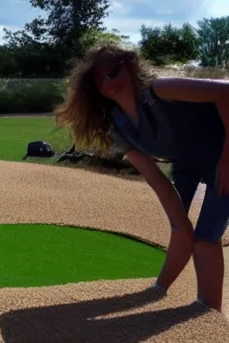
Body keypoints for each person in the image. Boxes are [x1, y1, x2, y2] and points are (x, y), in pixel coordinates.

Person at [54, 44, 229, 313]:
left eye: (113, 72)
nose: (108, 82)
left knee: (206, 237)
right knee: (181, 228)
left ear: (130, 65)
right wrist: (179, 221)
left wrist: (227, 158)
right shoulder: (118, 126)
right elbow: (155, 178)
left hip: (223, 156)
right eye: (100, 80)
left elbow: (225, 93)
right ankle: (159, 289)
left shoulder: (161, 90)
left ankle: (207, 313)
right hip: (186, 165)